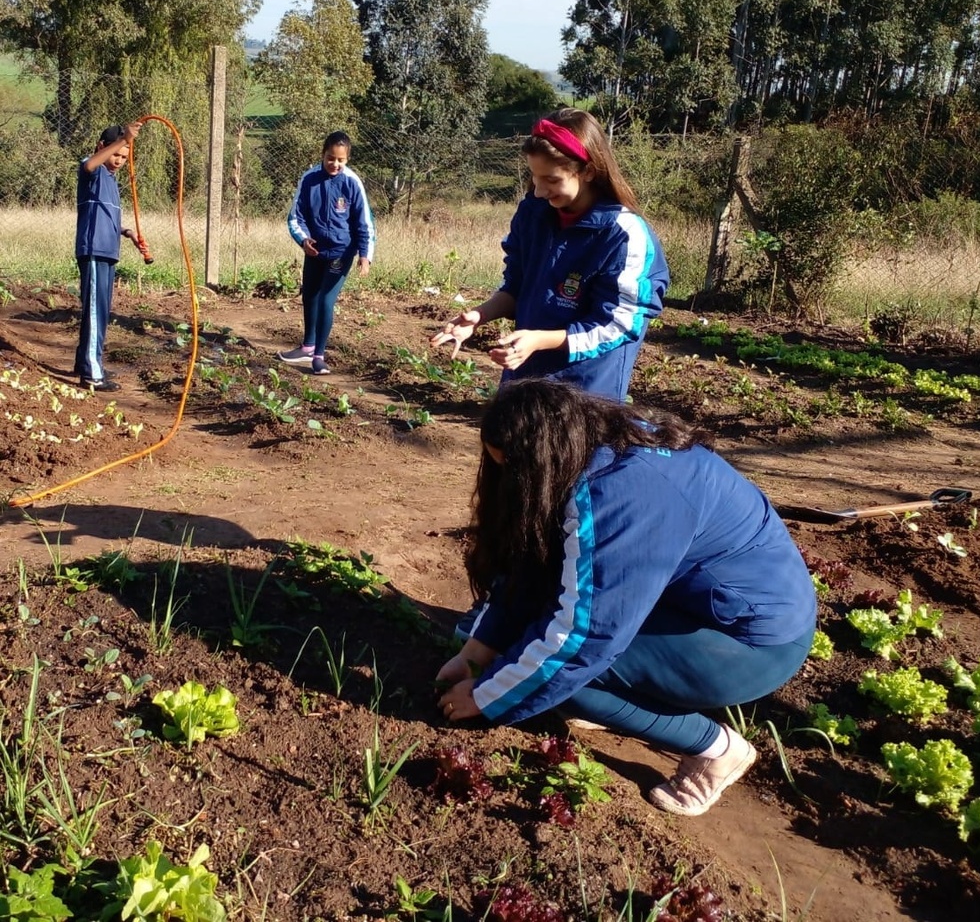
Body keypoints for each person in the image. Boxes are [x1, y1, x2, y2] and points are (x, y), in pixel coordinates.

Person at [435, 379, 817, 817]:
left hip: (751, 644)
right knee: (532, 654)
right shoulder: (593, 439)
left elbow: (584, 639)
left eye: (511, 471)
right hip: (694, 604)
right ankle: (626, 693)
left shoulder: (618, 494)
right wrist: (476, 653)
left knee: (564, 681)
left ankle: (716, 750)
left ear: (540, 459)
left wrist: (486, 695)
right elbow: (534, 562)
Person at [429, 107, 668, 404]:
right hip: (524, 382)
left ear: (588, 171)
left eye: (552, 180)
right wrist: (480, 315)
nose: (540, 191)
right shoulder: (534, 214)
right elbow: (517, 287)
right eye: (534, 177)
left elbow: (616, 325)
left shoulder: (623, 235)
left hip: (584, 395)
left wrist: (539, 340)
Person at [278, 131, 375, 376]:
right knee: (309, 295)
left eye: (340, 160)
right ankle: (307, 346)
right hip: (315, 251)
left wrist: (365, 254)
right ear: (323, 154)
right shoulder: (309, 179)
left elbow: (365, 222)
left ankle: (319, 356)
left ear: (348, 159)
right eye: (331, 158)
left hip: (341, 253)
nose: (335, 164)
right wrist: (303, 240)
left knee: (325, 300)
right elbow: (295, 217)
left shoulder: (352, 183)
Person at [74, 122, 149, 392]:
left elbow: (106, 217)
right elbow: (90, 165)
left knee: (100, 311)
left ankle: (85, 364)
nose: (118, 161)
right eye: (116, 154)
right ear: (102, 147)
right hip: (93, 250)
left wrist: (127, 232)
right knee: (95, 311)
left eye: (124, 157)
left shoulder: (111, 181)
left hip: (108, 252)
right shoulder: (92, 170)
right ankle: (93, 374)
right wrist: (125, 139)